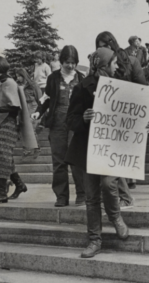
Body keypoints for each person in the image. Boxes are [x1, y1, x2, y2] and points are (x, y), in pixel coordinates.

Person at [65, 47, 129, 258]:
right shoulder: (83, 88)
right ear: (103, 65)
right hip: (89, 150)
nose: (117, 66)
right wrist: (83, 119)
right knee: (92, 197)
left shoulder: (121, 87)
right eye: (114, 63)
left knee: (109, 183)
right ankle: (94, 240)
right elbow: (70, 120)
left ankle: (115, 217)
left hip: (112, 148)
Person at [96, 31, 147, 206]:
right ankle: (123, 196)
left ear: (110, 45)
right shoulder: (104, 66)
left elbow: (143, 89)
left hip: (126, 114)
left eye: (102, 47)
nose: (100, 51)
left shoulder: (129, 61)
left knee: (115, 158)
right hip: (112, 116)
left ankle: (124, 196)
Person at [32, 45, 86, 207]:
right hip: (58, 123)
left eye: (73, 62)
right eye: (67, 62)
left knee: (77, 160)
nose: (70, 66)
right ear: (61, 62)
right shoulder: (53, 78)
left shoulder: (82, 78)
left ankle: (82, 194)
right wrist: (38, 112)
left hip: (76, 125)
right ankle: (61, 196)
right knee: (59, 161)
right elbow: (46, 98)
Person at [0, 56, 36, 204]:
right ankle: (19, 185)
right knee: (5, 157)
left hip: (9, 123)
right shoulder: (2, 83)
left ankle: (1, 193)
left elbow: (14, 107)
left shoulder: (8, 83)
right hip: (2, 123)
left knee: (1, 156)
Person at [14, 68, 42, 159]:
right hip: (22, 108)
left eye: (19, 76)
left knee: (31, 129)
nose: (17, 78)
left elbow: (39, 98)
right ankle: (26, 150)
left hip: (32, 107)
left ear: (24, 76)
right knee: (24, 129)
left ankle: (36, 148)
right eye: (17, 76)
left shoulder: (33, 85)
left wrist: (40, 111)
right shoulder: (17, 86)